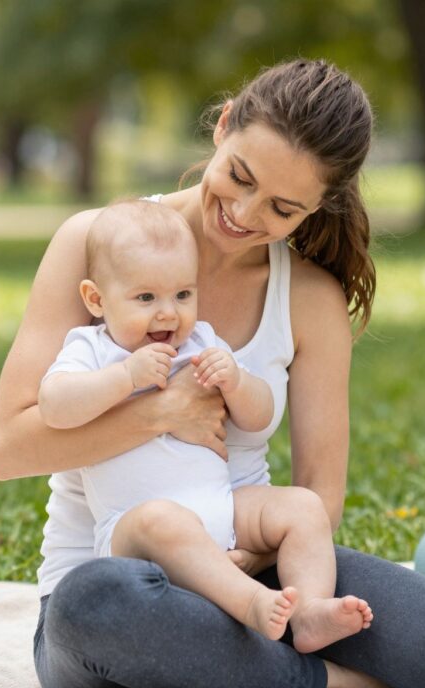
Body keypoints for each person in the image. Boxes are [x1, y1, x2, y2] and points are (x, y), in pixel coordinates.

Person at [0, 58, 425, 688]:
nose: (242, 213)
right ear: (225, 125)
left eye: (281, 207)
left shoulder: (308, 299)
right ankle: (327, 683)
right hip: (120, 579)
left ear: (317, 206)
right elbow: (7, 448)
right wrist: (160, 414)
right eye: (240, 176)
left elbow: (319, 494)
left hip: (254, 573)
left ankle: (211, 672)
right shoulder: (97, 244)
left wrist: (238, 570)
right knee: (97, 608)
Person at [38, 198, 373, 647]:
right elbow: (54, 405)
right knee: (163, 520)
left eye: (183, 295)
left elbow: (261, 417)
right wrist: (124, 378)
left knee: (303, 508)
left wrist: (236, 382)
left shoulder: (201, 340)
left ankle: (309, 612)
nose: (168, 313)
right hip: (136, 530)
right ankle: (252, 603)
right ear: (96, 299)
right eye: (145, 298)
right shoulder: (93, 349)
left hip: (224, 510)